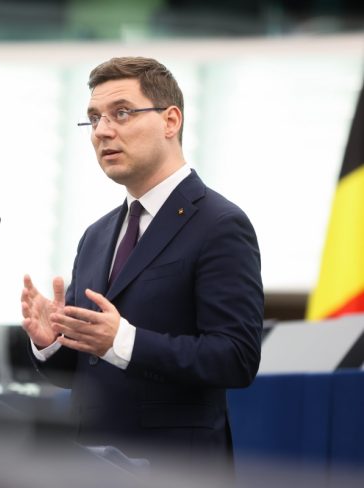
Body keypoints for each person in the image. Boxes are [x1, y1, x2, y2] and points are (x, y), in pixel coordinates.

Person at [20, 57, 263, 469]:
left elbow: (235, 358)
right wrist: (52, 343)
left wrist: (123, 340)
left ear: (170, 121)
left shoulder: (220, 224)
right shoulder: (96, 235)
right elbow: (88, 367)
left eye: (121, 113)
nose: (102, 131)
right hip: (90, 467)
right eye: (93, 118)